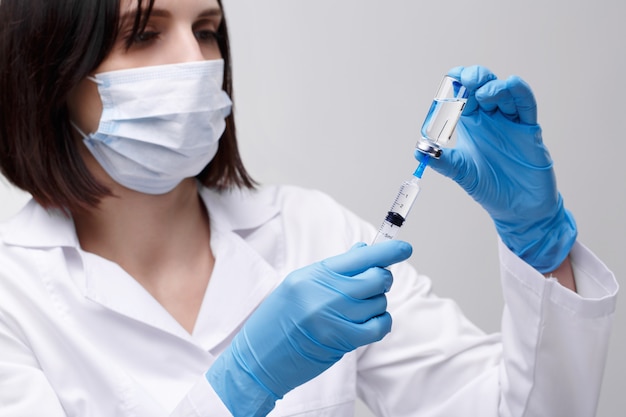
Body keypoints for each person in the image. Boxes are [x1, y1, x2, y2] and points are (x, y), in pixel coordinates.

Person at [0, 0, 617, 416]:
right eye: (144, 33)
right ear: (46, 68)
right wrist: (239, 386)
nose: (197, 64)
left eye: (207, 30)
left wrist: (541, 246)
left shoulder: (311, 231)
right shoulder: (12, 293)